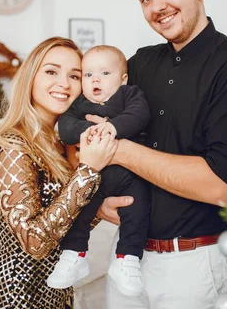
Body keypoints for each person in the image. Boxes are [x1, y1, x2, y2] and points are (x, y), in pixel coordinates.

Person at [93, 0, 227, 308]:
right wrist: (96, 203)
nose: (157, 7)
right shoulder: (138, 64)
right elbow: (90, 128)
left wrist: (121, 150)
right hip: (127, 259)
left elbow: (219, 186)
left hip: (194, 268)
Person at [0, 37, 120, 309]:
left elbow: (59, 227)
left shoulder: (56, 142)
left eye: (74, 75)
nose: (64, 83)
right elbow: (35, 243)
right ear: (31, 77)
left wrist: (99, 211)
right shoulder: (13, 144)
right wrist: (88, 170)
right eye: (51, 71)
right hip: (16, 298)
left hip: (56, 296)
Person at [46, 45, 151, 297]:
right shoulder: (80, 104)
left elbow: (140, 115)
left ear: (122, 79)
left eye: (105, 73)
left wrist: (113, 127)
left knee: (138, 211)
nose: (95, 79)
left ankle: (127, 259)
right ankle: (74, 255)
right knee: (79, 211)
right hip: (95, 178)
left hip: (130, 176)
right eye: (88, 74)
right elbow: (66, 126)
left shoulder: (129, 95)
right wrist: (87, 130)